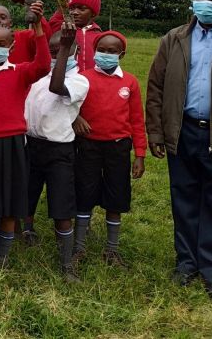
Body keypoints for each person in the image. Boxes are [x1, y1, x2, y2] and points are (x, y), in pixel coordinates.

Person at [146, 0, 212, 302]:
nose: (205, 3)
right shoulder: (175, 39)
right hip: (184, 130)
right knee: (185, 200)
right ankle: (186, 263)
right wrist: (157, 132)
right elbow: (156, 88)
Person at [0, 13, 49, 269]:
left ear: (12, 48)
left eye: (2, 44)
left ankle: (1, 256)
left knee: (11, 202)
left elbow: (43, 65)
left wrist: (38, 28)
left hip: (13, 145)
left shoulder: (20, 72)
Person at [23, 23, 89, 282]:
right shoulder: (39, 79)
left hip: (59, 150)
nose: (55, 54)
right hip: (32, 145)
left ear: (75, 50)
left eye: (62, 49)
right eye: (52, 50)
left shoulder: (79, 80)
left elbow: (57, 87)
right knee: (26, 195)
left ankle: (66, 263)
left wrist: (63, 51)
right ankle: (26, 232)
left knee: (61, 205)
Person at [74, 30, 146, 267]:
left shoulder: (129, 82)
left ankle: (111, 250)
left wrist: (140, 154)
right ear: (94, 52)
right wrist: (75, 118)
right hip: (88, 146)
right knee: (85, 194)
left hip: (118, 148)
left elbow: (136, 120)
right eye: (101, 50)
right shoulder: (82, 78)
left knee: (116, 197)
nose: (105, 54)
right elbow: (68, 106)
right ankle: (79, 247)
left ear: (121, 54)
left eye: (111, 51)